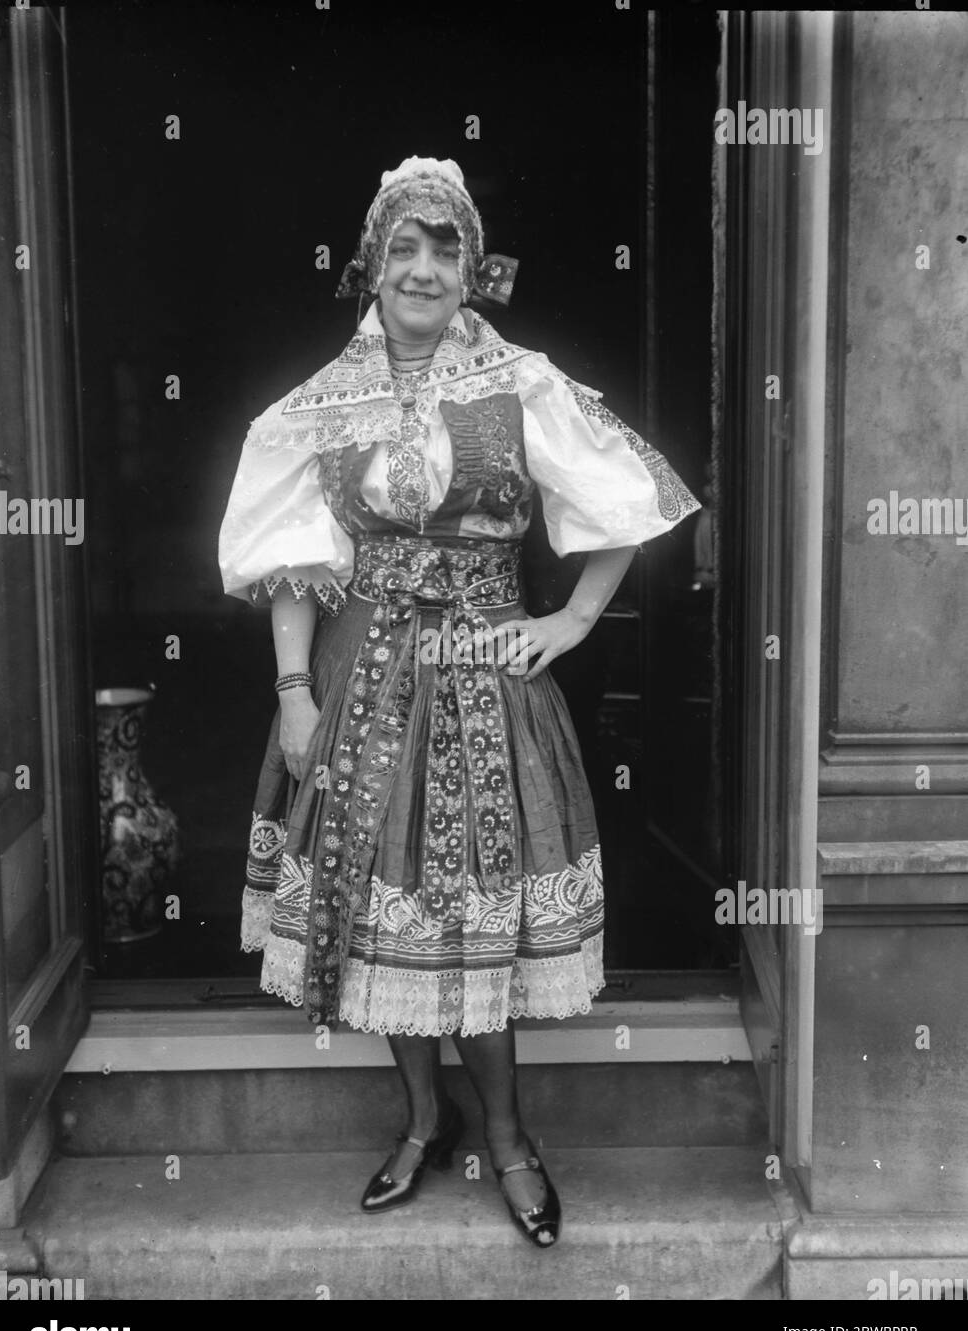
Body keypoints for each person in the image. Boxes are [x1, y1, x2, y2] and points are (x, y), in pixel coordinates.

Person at [218, 156, 700, 1248]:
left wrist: (571, 621)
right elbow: (292, 560)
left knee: (468, 914)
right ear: (370, 267)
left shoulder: (519, 382)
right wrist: (294, 694)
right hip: (358, 683)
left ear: (472, 266)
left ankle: (512, 1136)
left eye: (445, 249)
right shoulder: (326, 402)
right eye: (404, 248)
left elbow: (625, 491)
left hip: (485, 682)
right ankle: (423, 1120)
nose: (424, 270)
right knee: (375, 916)